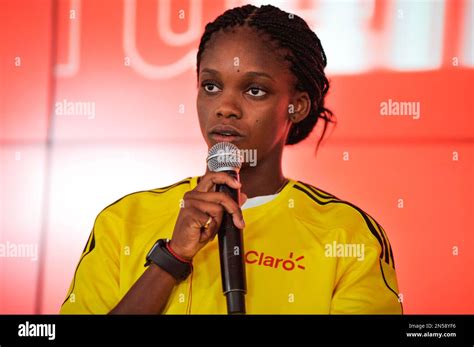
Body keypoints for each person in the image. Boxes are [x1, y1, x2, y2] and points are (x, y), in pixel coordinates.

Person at [60, 4, 402, 314]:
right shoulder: (123, 220)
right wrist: (173, 257)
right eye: (211, 86)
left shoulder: (346, 234)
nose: (225, 107)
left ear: (296, 106)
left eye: (255, 90)